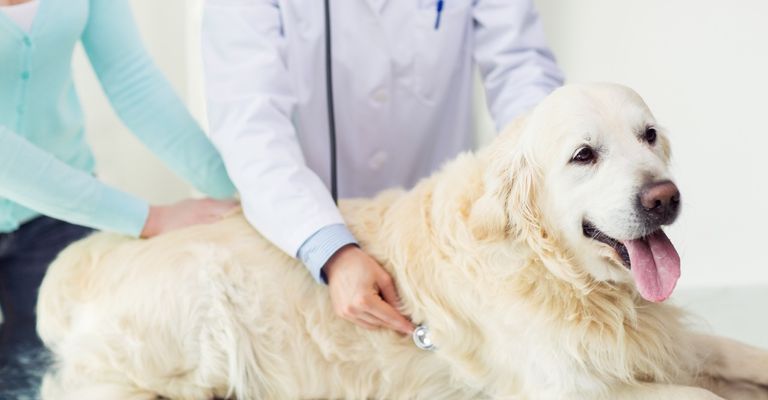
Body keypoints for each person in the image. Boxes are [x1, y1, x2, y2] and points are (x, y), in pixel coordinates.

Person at [202, 0, 564, 334]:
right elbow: (250, 123)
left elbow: (521, 70)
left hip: (437, 234)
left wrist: (541, 180)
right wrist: (329, 248)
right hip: (306, 231)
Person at [0, 0, 237, 393]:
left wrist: (238, 196)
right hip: (74, 200)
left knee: (49, 383)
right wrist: (148, 217)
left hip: (56, 220)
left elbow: (133, 81)